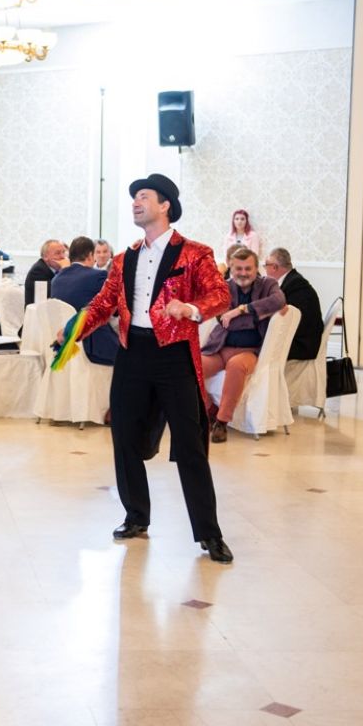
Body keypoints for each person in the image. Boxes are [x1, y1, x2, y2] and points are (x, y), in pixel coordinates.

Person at [65, 173, 233, 562]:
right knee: (124, 436)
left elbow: (220, 294)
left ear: (165, 205)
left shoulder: (195, 253)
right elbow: (104, 304)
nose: (136, 202)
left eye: (143, 196)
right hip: (132, 353)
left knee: (190, 446)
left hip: (174, 355)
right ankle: (136, 516)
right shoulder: (124, 258)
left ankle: (209, 533)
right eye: (134, 198)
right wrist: (74, 329)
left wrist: (191, 308)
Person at [201, 248, 286, 444]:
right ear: (231, 268)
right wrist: (258, 314)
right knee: (191, 365)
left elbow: (279, 300)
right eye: (238, 269)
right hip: (220, 348)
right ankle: (209, 409)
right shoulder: (224, 287)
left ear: (256, 269)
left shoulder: (268, 285)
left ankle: (222, 422)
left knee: (236, 366)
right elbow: (222, 319)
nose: (243, 273)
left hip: (249, 351)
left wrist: (240, 310)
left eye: (248, 268)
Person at [51, 236, 116, 366]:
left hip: (66, 347)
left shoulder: (56, 279)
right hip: (94, 348)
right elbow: (114, 308)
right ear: (90, 255)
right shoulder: (98, 276)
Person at [24, 239, 67, 305]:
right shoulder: (38, 271)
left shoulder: (56, 269)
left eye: (64, 252)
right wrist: (65, 270)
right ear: (45, 257)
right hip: (39, 310)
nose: (63, 256)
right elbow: (57, 293)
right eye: (57, 253)